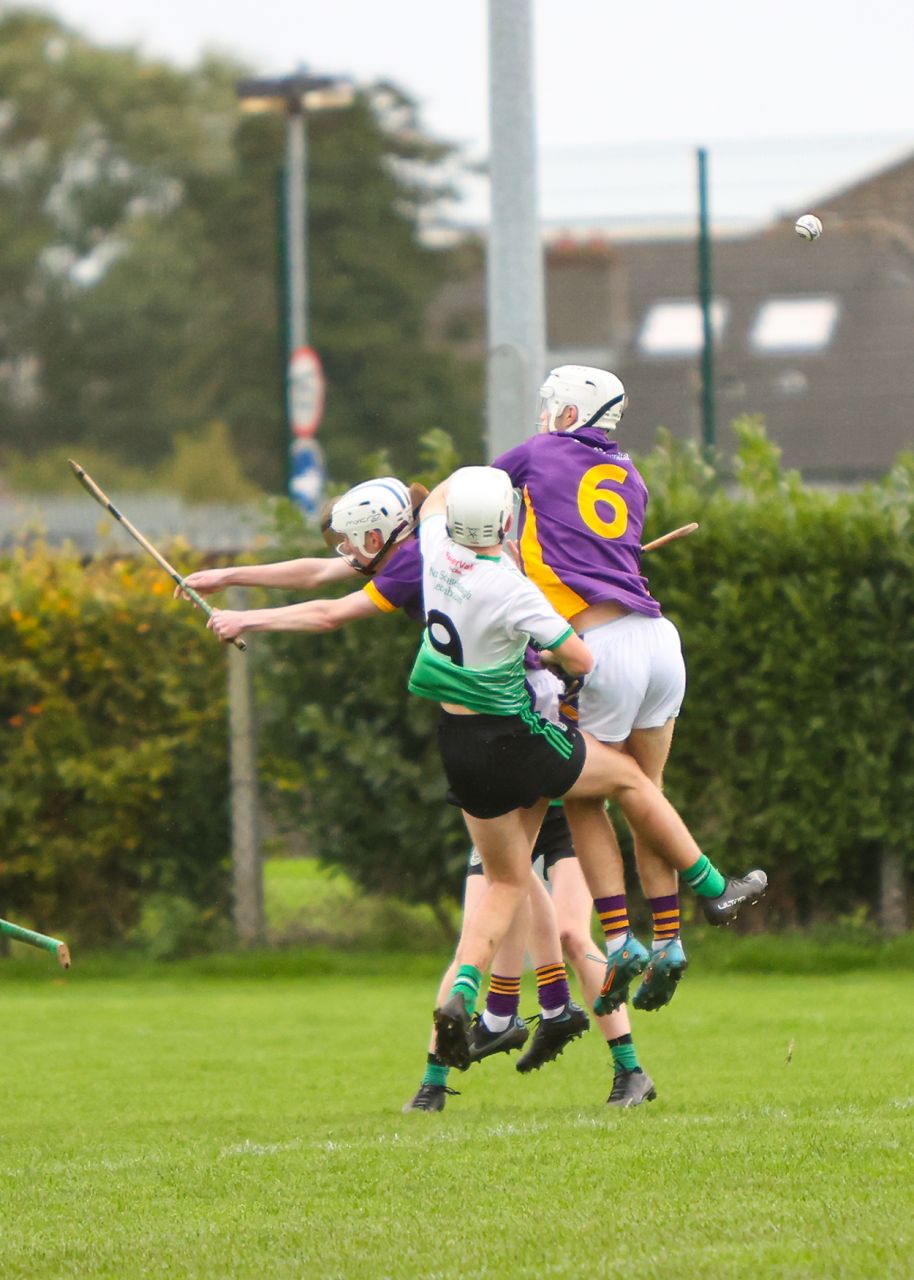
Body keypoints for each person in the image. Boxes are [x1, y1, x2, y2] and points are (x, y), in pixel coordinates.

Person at [180, 477, 604, 1108]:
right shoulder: (417, 542)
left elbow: (329, 611)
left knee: (506, 880)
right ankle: (542, 1007)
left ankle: (513, 1021)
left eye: (356, 544)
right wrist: (229, 576)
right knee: (516, 875)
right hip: (498, 716)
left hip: (511, 719)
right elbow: (321, 572)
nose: (348, 554)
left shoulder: (413, 562)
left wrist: (248, 618)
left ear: (379, 535)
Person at [408, 465, 766, 1070]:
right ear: (504, 521)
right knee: (627, 777)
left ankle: (465, 995)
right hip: (517, 740)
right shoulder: (514, 588)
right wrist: (542, 643)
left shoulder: (436, 551)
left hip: (459, 747)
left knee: (503, 882)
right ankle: (713, 886)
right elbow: (579, 657)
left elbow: (433, 503)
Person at [491, 365, 766, 1016]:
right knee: (646, 792)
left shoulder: (537, 453)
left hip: (605, 649)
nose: (542, 415)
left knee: (588, 798)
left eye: (549, 405)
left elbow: (477, 497)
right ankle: (667, 940)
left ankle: (623, 937)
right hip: (658, 642)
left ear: (567, 413)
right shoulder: (631, 475)